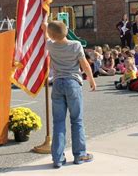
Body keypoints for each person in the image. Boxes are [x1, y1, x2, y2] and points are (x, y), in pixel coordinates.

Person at [44, 20, 96, 168]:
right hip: (73, 83)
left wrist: (45, 25)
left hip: (58, 84)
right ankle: (80, 155)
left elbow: (46, 35)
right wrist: (91, 79)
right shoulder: (76, 45)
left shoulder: (50, 45)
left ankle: (58, 158)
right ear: (66, 30)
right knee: (77, 120)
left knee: (58, 122)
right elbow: (85, 64)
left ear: (51, 35)